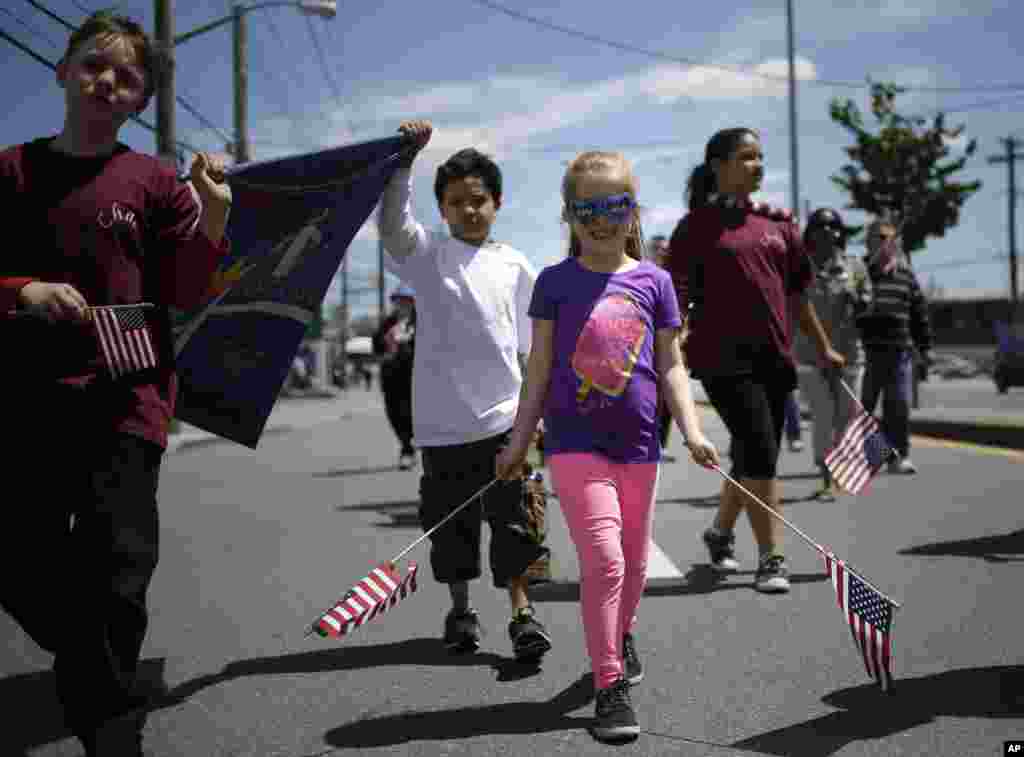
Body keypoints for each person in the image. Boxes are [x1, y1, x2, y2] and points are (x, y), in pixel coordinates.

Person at [0, 11, 230, 757]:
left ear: (141, 102)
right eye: (94, 64)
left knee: (119, 566)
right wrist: (20, 289)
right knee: (19, 555)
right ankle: (95, 670)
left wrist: (215, 220)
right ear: (62, 70)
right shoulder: (11, 172)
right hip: (25, 398)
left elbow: (185, 289)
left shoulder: (154, 180)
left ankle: (107, 727)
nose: (107, 81)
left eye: (127, 77)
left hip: (126, 398)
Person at [497, 151, 719, 742]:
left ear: (633, 211)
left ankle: (621, 634)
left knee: (636, 566)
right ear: (569, 214)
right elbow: (538, 369)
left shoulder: (655, 281)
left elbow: (671, 363)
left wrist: (693, 432)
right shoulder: (555, 283)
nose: (601, 218)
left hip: (641, 447)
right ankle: (609, 684)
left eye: (614, 205)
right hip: (574, 447)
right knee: (605, 561)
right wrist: (519, 442)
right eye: (586, 207)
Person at [376, 120, 553, 663]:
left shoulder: (515, 264)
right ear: (442, 209)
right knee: (451, 532)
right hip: (441, 430)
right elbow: (393, 228)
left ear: (496, 203)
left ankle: (522, 614)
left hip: (504, 425)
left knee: (516, 524)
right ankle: (461, 609)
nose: (468, 210)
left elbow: (533, 351)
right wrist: (404, 163)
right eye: (455, 202)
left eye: (478, 200)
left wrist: (535, 416)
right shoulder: (428, 258)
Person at [667, 128, 845, 593]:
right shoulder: (696, 228)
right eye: (746, 157)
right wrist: (673, 341)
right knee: (762, 449)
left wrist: (823, 347)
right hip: (721, 359)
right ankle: (772, 558)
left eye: (760, 156)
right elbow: (676, 295)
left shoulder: (780, 224)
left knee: (749, 452)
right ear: (718, 166)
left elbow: (798, 294)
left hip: (774, 357)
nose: (757, 165)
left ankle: (720, 531)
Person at [793, 207, 872, 499]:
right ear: (810, 234)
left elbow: (868, 304)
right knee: (824, 417)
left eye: (833, 227)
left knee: (848, 416)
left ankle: (842, 470)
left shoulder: (856, 267)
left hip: (850, 354)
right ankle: (827, 477)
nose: (827, 232)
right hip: (810, 356)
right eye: (820, 227)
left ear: (841, 233)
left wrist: (860, 300)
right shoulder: (800, 268)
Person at [856, 218, 933, 474]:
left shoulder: (906, 273)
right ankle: (875, 456)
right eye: (878, 237)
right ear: (868, 242)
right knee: (865, 406)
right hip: (866, 351)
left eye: (889, 237)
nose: (885, 242)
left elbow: (919, 312)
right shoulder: (861, 271)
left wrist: (925, 347)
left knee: (898, 405)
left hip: (900, 350)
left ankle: (899, 457)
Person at [373, 284, 417, 469]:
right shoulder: (387, 324)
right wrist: (387, 347)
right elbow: (376, 347)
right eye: (399, 301)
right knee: (395, 415)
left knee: (413, 414)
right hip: (392, 379)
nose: (402, 305)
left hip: (416, 378)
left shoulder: (421, 322)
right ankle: (407, 445)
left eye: (406, 301)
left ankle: (409, 449)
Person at [647, 234, 676, 460]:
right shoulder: (643, 275)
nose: (662, 252)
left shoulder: (673, 278)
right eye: (657, 248)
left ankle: (661, 444)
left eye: (665, 249)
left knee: (668, 395)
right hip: (645, 346)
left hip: (669, 343)